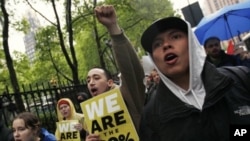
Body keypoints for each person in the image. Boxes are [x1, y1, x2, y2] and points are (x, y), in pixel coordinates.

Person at [138, 16, 250, 140]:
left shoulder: (240, 79)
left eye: (175, 37)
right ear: (153, 58)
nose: (166, 45)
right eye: (157, 44)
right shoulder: (151, 118)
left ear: (192, 43)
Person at [85, 5, 145, 141]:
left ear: (110, 82)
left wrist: (113, 29)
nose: (91, 83)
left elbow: (130, 70)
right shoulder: (92, 116)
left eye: (96, 78)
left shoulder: (126, 96)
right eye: (88, 80)